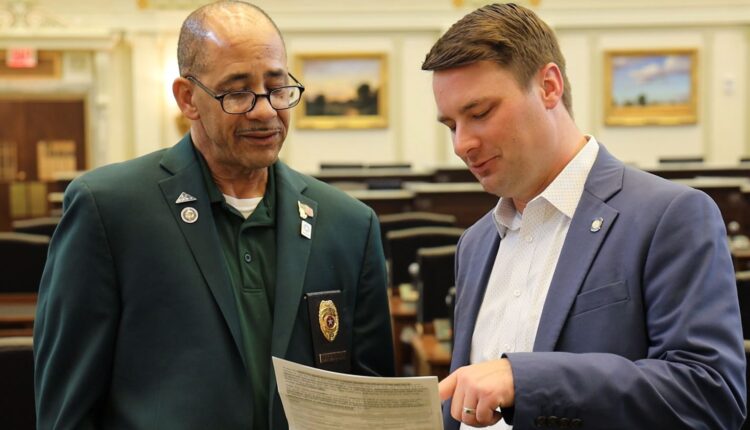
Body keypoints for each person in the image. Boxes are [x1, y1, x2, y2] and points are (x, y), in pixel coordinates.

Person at [33, 2, 394, 429]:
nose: (264, 111)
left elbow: (375, 403)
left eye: (278, 88)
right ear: (188, 98)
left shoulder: (350, 225)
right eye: (238, 92)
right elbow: (66, 410)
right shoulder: (109, 210)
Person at [422, 3, 746, 429]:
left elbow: (709, 392)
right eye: (451, 125)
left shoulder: (670, 215)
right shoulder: (476, 242)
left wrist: (525, 379)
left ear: (549, 86)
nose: (463, 144)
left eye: (480, 113)